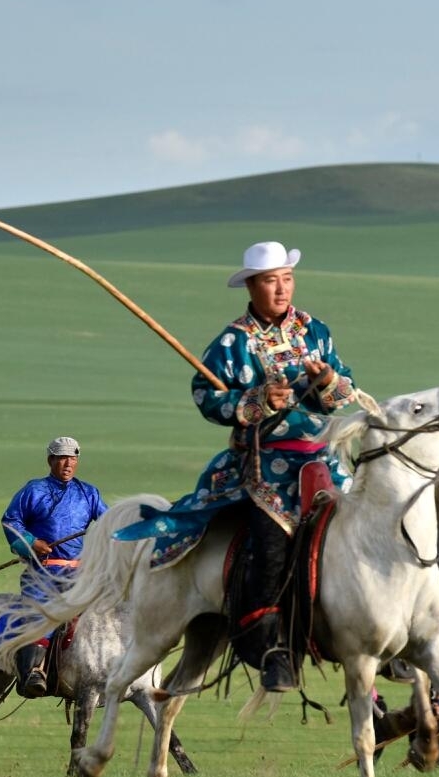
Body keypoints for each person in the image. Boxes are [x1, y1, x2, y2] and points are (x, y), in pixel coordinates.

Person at [115, 240, 361, 693]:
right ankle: (271, 649)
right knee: (270, 543)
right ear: (252, 285)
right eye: (271, 281)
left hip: (320, 457)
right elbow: (205, 396)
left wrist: (327, 381)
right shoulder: (233, 342)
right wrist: (256, 400)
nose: (281, 289)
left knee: (365, 526)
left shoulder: (316, 331)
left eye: (287, 279)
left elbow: (347, 392)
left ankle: (372, 628)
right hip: (263, 461)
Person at [0, 436, 108, 697]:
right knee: (42, 614)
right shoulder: (34, 490)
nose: (68, 464)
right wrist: (32, 543)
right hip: (44, 570)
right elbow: (11, 522)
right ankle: (35, 671)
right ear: (51, 461)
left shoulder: (89, 493)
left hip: (78, 571)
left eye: (73, 459)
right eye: (62, 458)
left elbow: (108, 520)